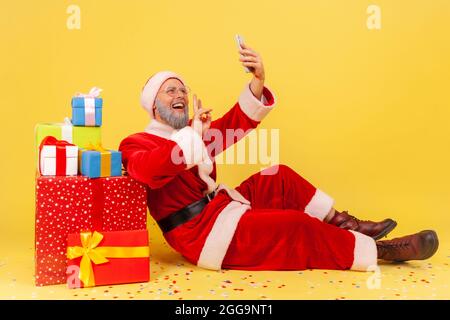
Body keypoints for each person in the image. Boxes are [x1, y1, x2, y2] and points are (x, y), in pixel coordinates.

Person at [119, 41, 439, 272]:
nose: (180, 96)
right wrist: (194, 137)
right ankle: (379, 250)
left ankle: (348, 224)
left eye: (182, 90)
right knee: (295, 224)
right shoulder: (135, 143)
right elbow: (149, 170)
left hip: (218, 209)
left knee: (278, 176)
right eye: (170, 91)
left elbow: (234, 124)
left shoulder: (193, 130)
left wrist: (257, 82)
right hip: (198, 234)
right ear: (152, 104)